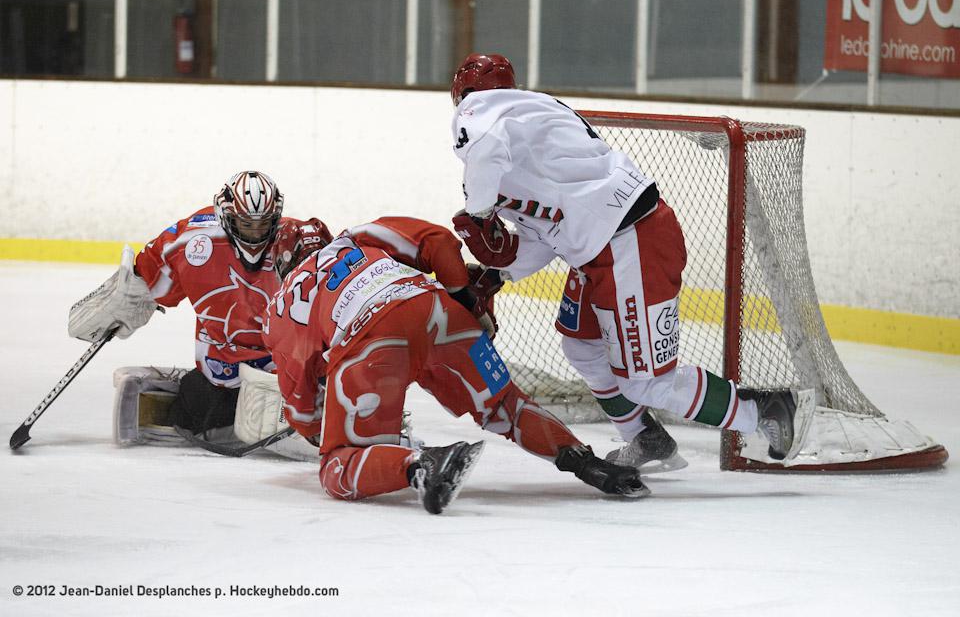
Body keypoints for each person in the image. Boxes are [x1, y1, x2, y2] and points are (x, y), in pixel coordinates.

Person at [448, 53, 811, 467]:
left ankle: (765, 410)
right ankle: (644, 437)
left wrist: (478, 213)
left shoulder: (482, 110)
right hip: (603, 247)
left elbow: (485, 150)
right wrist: (498, 274)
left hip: (630, 243)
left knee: (648, 384)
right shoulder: (527, 134)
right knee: (582, 346)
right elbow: (542, 235)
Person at [262, 216, 648, 514]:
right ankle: (588, 463)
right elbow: (438, 241)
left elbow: (301, 408)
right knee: (506, 406)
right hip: (438, 310)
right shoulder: (357, 237)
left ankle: (423, 464)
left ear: (281, 263)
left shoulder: (281, 304)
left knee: (337, 468)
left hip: (371, 341)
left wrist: (326, 432)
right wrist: (465, 301)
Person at [68, 170, 303, 442]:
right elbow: (145, 277)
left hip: (283, 374)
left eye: (263, 224)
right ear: (225, 215)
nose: (255, 233)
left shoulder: (298, 243)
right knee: (201, 410)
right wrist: (125, 298)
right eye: (245, 224)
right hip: (220, 373)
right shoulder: (189, 243)